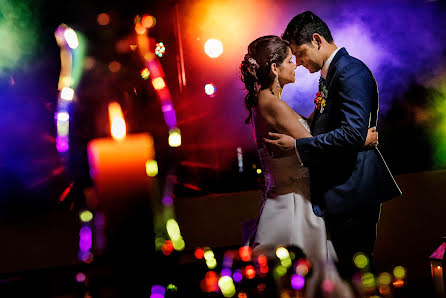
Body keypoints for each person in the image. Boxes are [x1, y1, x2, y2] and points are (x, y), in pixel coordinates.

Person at [264, 11, 402, 279]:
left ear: (317, 40)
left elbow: (351, 133)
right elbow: (335, 129)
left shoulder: (350, 72)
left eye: (299, 52)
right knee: (346, 276)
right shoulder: (330, 74)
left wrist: (296, 147)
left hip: (353, 190)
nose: (300, 62)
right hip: (340, 190)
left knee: (356, 275)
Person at [239, 35, 379, 277]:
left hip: (293, 198)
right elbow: (313, 145)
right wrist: (360, 140)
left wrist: (319, 106)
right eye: (290, 61)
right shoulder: (271, 103)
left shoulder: (270, 102)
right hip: (293, 205)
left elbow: (306, 135)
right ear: (275, 68)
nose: (296, 66)